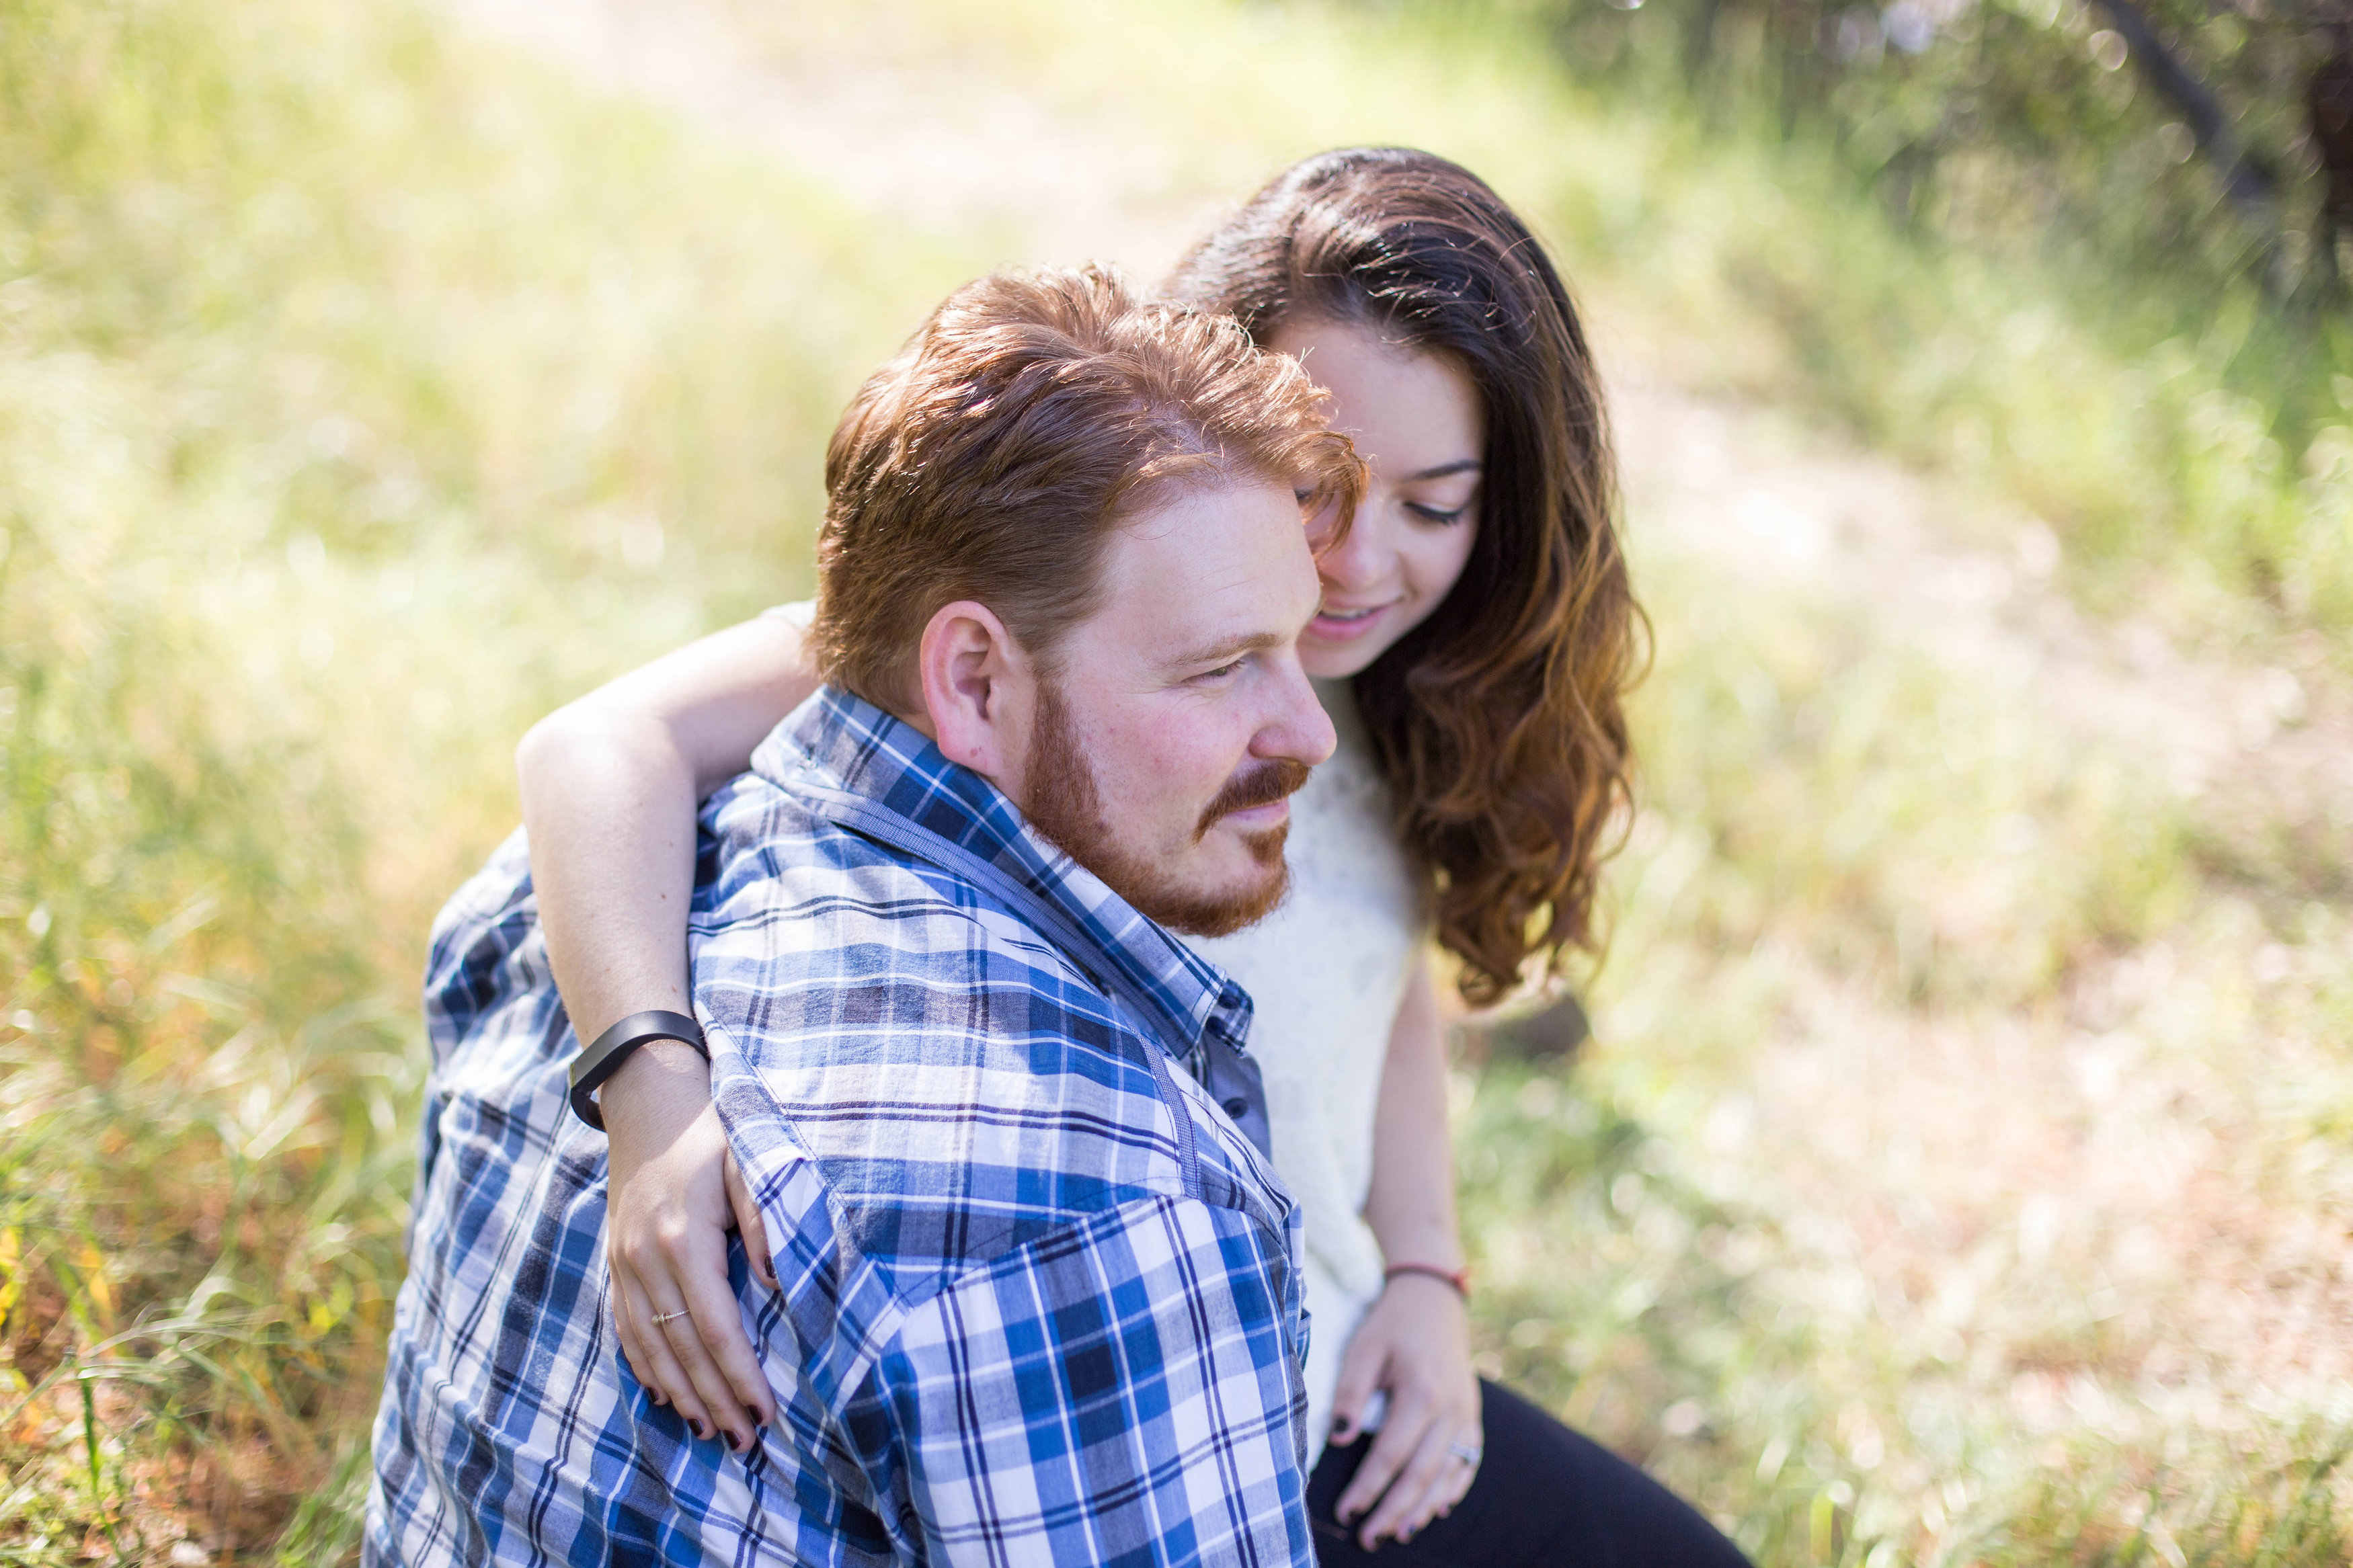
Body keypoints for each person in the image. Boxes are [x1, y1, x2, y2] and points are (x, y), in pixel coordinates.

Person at [520, 149, 1753, 1564]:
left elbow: (1380, 978)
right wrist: (653, 1096)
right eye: (1325, 480)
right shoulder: (1055, 649)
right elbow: (594, 745)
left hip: (1335, 1370)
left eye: (1433, 505)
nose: (1358, 565)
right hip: (1153, 1435)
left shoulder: (1398, 687)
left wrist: (1426, 1273)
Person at [366, 263, 1369, 1565]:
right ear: (973, 680)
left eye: (1294, 646)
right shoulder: (1106, 1206)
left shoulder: (550, 904)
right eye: (1223, 666)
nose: (1308, 732)